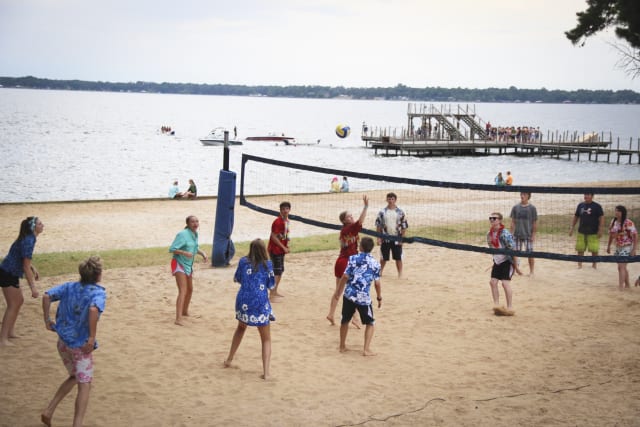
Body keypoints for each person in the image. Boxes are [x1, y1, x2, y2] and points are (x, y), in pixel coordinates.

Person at [40, 256, 106, 427]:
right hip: (80, 347)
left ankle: (49, 411)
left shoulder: (70, 287)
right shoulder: (98, 293)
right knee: (85, 384)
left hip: (63, 343)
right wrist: (91, 338)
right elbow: (93, 309)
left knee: (75, 376)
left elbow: (46, 296)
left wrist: (47, 320)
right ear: (98, 275)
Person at [224, 239, 275, 380]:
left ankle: (229, 359)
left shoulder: (243, 262)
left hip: (243, 300)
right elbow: (271, 285)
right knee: (266, 338)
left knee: (240, 328)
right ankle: (266, 373)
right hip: (260, 302)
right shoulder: (268, 264)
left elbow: (238, 278)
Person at [0, 216, 44, 346]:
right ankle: (3, 339)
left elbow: (23, 258)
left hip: (8, 272)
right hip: (8, 273)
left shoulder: (29, 238)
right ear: (33, 227)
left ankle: (10, 332)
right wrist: (33, 288)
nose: (43, 225)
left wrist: (33, 268)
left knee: (18, 302)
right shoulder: (29, 240)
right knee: (13, 304)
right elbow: (25, 265)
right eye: (40, 224)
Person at [334, 237, 382, 356]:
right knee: (370, 323)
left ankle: (342, 346)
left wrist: (338, 292)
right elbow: (377, 283)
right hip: (363, 298)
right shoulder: (375, 264)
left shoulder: (353, 258)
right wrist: (379, 297)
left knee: (345, 320)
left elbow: (345, 277)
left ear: (360, 247)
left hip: (349, 294)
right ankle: (366, 349)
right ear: (371, 248)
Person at [327, 195, 369, 325]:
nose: (352, 217)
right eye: (349, 217)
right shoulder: (349, 228)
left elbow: (358, 225)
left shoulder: (346, 230)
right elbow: (360, 221)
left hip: (340, 262)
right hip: (347, 263)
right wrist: (366, 206)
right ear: (345, 221)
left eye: (351, 216)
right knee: (353, 290)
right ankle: (355, 318)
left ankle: (331, 314)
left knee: (339, 291)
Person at [169, 215, 208, 325]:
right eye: (192, 222)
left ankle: (185, 311)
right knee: (183, 290)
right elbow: (172, 249)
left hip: (188, 265)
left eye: (197, 221)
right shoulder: (182, 234)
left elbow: (195, 247)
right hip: (178, 263)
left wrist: (202, 253)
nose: (195, 224)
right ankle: (178, 318)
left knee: (190, 289)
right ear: (188, 223)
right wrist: (184, 252)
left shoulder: (195, 234)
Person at [487, 212, 522, 316]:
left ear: (500, 220)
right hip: (498, 261)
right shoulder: (489, 234)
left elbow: (513, 250)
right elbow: (493, 249)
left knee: (505, 283)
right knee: (493, 282)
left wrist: (516, 267)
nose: (492, 220)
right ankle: (496, 306)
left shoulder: (505, 234)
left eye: (494, 218)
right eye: (491, 218)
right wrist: (494, 261)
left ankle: (510, 307)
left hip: (508, 261)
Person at [375, 192, 408, 277]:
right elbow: (378, 226)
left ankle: (400, 274)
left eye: (392, 199)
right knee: (383, 257)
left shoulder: (400, 212)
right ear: (386, 200)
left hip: (397, 238)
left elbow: (404, 226)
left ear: (395, 200)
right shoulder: (382, 212)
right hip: (385, 238)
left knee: (398, 257)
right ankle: (380, 272)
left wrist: (402, 239)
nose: (390, 200)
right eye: (389, 199)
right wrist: (378, 238)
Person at [569, 193, 604, 269]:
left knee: (594, 249)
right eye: (585, 194)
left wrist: (600, 229)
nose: (586, 196)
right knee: (580, 248)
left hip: (593, 232)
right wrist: (572, 227)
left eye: (588, 194)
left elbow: (601, 218)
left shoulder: (597, 206)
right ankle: (580, 264)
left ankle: (594, 265)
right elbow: (576, 216)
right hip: (581, 231)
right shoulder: (580, 205)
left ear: (592, 196)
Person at [607, 205, 638, 290]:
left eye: (618, 211)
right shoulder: (613, 221)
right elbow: (611, 235)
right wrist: (608, 246)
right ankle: (627, 285)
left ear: (622, 212)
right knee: (621, 267)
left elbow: (635, 236)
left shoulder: (628, 222)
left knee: (621, 266)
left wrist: (634, 249)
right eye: (616, 210)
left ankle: (621, 287)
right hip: (617, 246)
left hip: (627, 246)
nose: (616, 212)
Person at [509, 192, 538, 275]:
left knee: (530, 253)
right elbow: (513, 222)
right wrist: (511, 234)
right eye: (521, 194)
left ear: (528, 196)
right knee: (514, 253)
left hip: (528, 235)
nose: (522, 196)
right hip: (517, 234)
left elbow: (534, 223)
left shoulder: (532, 208)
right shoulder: (515, 207)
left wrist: (533, 235)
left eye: (524, 194)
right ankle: (516, 269)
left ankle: (531, 271)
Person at [268, 201, 291, 298]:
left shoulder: (287, 221)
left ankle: (275, 291)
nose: (285, 211)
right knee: (277, 271)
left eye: (287, 209)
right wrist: (283, 247)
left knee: (280, 270)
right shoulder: (278, 222)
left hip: (281, 249)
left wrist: (287, 244)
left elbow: (283, 235)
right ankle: (272, 294)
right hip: (275, 249)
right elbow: (273, 237)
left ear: (289, 210)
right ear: (280, 210)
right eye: (283, 209)